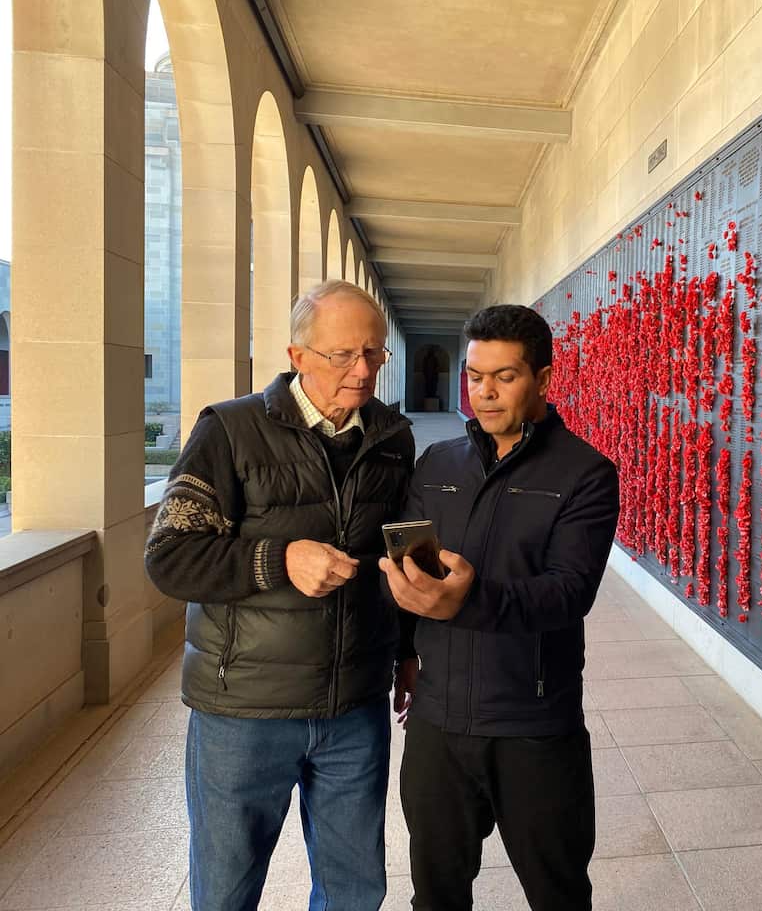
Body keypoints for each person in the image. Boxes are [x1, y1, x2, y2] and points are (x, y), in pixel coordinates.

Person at [144, 280, 416, 911]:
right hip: (244, 709)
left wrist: (406, 650)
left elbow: (393, 560)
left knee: (354, 891)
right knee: (227, 889)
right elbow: (170, 557)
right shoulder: (230, 431)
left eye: (374, 354)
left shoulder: (393, 437)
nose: (363, 370)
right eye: (342, 355)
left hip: (355, 706)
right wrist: (278, 558)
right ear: (297, 356)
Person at [382, 303, 620, 911]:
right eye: (475, 375)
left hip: (533, 725)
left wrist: (472, 597)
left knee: (558, 892)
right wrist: (404, 652)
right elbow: (414, 562)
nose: (484, 393)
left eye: (504, 377)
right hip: (437, 724)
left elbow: (571, 591)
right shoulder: (439, 464)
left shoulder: (586, 473)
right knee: (435, 894)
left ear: (542, 379)